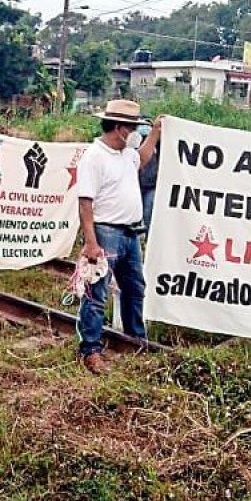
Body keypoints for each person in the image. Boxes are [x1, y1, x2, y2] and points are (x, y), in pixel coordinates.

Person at [76, 100, 162, 374]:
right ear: (119, 128)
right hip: (106, 231)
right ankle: (91, 349)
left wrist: (157, 132)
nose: (136, 133)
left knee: (135, 288)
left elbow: (143, 157)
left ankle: (135, 340)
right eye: (132, 127)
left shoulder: (127, 154)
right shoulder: (94, 157)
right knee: (96, 293)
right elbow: (85, 203)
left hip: (129, 232)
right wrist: (91, 242)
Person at [136, 123, 159, 234]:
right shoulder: (134, 144)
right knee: (137, 216)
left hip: (151, 186)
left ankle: (147, 240)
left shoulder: (158, 144)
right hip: (136, 186)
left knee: (148, 215)